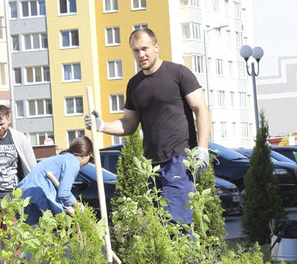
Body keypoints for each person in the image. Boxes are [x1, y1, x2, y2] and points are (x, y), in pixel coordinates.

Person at [84, 27, 210, 224]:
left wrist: (202, 149)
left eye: (145, 48)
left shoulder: (178, 74)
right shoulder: (135, 85)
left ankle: (189, 256)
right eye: (136, 50)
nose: (141, 54)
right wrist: (101, 125)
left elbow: (201, 109)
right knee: (160, 224)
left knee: (179, 223)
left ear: (156, 47)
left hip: (179, 159)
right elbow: (129, 124)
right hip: (151, 165)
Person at [16, 136, 93, 225]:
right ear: (84, 155)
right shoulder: (73, 162)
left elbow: (57, 189)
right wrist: (77, 205)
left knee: (25, 234)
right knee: (40, 233)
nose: (88, 162)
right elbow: (63, 193)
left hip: (21, 198)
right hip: (34, 202)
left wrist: (68, 208)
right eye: (89, 158)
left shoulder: (60, 159)